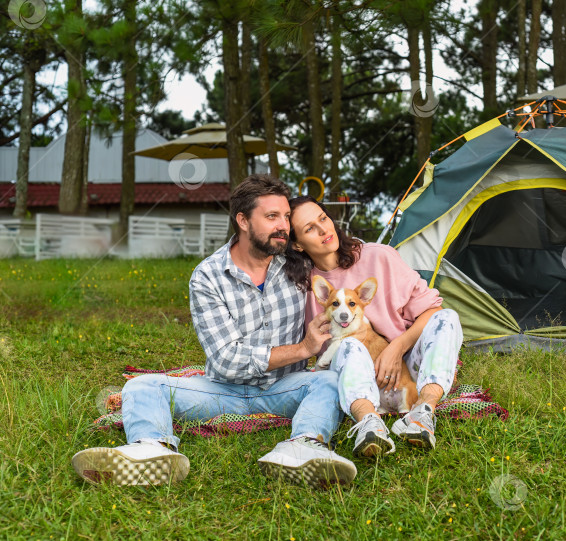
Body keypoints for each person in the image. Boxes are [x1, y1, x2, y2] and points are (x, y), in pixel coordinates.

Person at [71, 175, 357, 488]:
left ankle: (303, 446)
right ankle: (153, 450)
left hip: (287, 386)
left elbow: (345, 264)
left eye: (286, 216)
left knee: (329, 382)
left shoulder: (299, 263)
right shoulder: (207, 276)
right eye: (272, 216)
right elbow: (225, 361)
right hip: (223, 391)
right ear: (243, 220)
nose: (284, 226)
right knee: (141, 387)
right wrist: (303, 349)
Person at [284, 196, 463, 457]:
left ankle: (423, 411)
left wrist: (395, 348)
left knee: (448, 318)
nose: (324, 229)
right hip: (354, 371)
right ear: (297, 244)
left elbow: (433, 311)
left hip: (404, 365)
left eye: (323, 218)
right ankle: (369, 422)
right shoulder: (304, 286)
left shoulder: (379, 256)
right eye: (310, 228)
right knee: (348, 343)